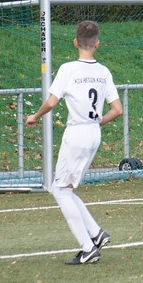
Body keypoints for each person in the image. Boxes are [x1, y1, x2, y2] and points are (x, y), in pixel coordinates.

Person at [25, 21, 123, 265]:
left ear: (75, 42)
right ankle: (96, 233)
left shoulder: (68, 69)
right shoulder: (104, 71)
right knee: (66, 189)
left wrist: (35, 116)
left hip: (77, 133)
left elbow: (51, 102)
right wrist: (98, 122)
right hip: (93, 134)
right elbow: (117, 109)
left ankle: (88, 248)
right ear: (97, 44)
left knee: (59, 190)